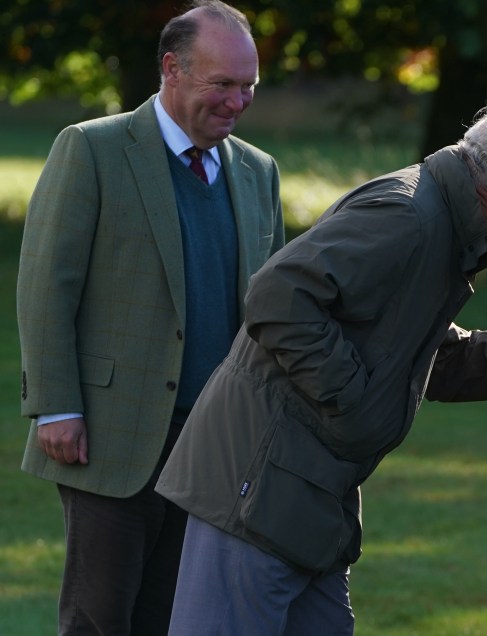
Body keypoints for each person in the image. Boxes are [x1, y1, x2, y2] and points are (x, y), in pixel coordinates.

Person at [154, 97, 487, 634]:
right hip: (255, 492)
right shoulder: (407, 216)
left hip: (309, 497)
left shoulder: (443, 225)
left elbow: (438, 359)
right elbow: (279, 296)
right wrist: (353, 404)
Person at [16, 1, 285, 633]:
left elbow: (271, 310)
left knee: (178, 615)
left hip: (217, 438)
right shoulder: (91, 148)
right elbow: (47, 285)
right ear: (171, 69)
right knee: (100, 613)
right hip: (110, 433)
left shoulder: (258, 171)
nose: (238, 103)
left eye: (248, 87)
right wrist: (56, 405)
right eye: (222, 85)